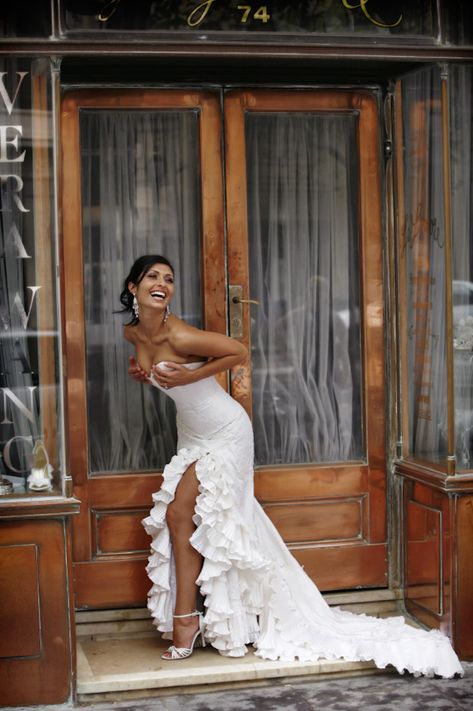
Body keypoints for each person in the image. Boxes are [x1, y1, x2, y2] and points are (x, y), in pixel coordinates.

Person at [122, 254, 463, 676]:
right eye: (152, 277)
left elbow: (238, 352)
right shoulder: (131, 332)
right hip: (191, 433)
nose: (162, 283)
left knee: (179, 513)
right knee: (194, 521)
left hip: (226, 432)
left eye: (169, 278)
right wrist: (148, 375)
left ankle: (186, 621)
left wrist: (187, 377)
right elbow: (156, 368)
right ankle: (215, 618)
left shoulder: (181, 334)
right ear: (134, 287)